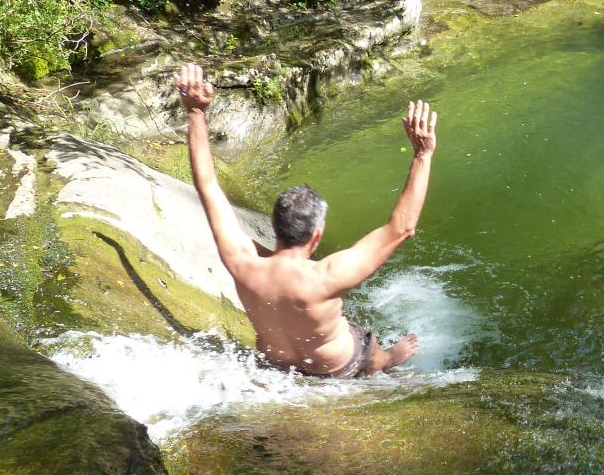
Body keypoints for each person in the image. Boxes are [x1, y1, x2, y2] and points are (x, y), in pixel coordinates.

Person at [173, 62, 434, 377]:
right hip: (338, 367)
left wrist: (195, 113)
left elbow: (207, 185)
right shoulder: (326, 276)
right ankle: (385, 359)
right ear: (317, 236)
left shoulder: (242, 261)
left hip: (278, 364)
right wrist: (423, 155)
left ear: (273, 226)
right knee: (364, 341)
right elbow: (401, 229)